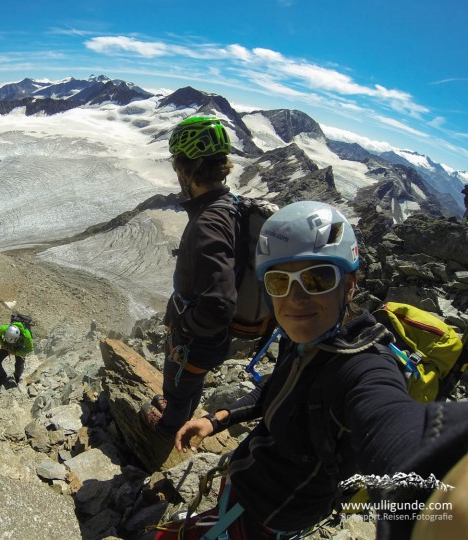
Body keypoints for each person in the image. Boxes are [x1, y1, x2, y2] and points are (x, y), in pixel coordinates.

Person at [172, 200, 468, 539]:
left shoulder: (363, 366)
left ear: (350, 284)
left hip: (268, 519)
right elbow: (279, 387)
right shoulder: (308, 338)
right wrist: (217, 418)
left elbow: (391, 423)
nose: (295, 297)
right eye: (279, 281)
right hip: (247, 495)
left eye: (317, 278)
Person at [139, 116, 240, 439]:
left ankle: (168, 427)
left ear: (186, 169)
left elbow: (219, 303)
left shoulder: (208, 222)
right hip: (214, 341)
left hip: (196, 342)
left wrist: (185, 326)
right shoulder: (228, 207)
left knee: (179, 383)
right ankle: (180, 409)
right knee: (189, 383)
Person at [0, 320, 33, 387]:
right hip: (7, 344)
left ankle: (17, 377)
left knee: (19, 365)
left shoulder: (26, 336)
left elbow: (30, 349)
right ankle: (2, 376)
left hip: (20, 347)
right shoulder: (4, 329)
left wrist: (16, 352)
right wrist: (2, 343)